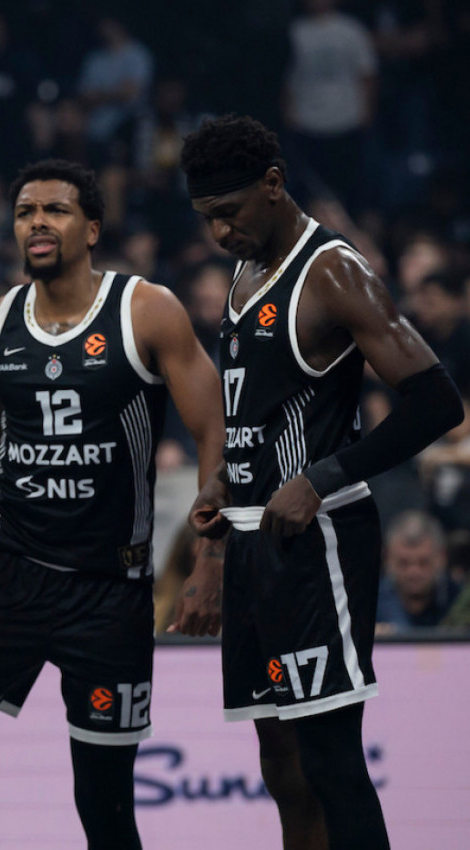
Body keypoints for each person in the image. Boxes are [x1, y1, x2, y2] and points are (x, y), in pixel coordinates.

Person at [0, 158, 225, 847]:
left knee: (106, 809)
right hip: (5, 578)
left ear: (91, 229)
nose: (36, 222)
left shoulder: (146, 309)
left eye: (54, 210)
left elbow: (214, 431)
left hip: (108, 592)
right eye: (25, 211)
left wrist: (211, 560)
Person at [181, 114, 463, 850]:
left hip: (321, 540)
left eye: (228, 213)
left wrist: (321, 476)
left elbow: (438, 402)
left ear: (274, 184)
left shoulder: (332, 271)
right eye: (207, 218)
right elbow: (262, 413)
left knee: (331, 760)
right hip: (253, 541)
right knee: (281, 762)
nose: (218, 233)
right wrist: (222, 483)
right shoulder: (246, 269)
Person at [375, 510, 459, 631]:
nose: (413, 572)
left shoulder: (460, 599)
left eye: (424, 563)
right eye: (403, 563)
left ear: (441, 557)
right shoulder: (366, 605)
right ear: (387, 559)